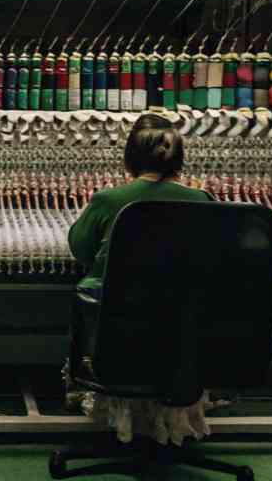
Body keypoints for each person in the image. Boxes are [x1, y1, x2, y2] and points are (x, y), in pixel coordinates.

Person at [66, 113, 221, 446]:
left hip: (121, 323)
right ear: (179, 160)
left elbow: (81, 250)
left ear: (130, 158)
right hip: (181, 329)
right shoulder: (203, 202)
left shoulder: (109, 200)